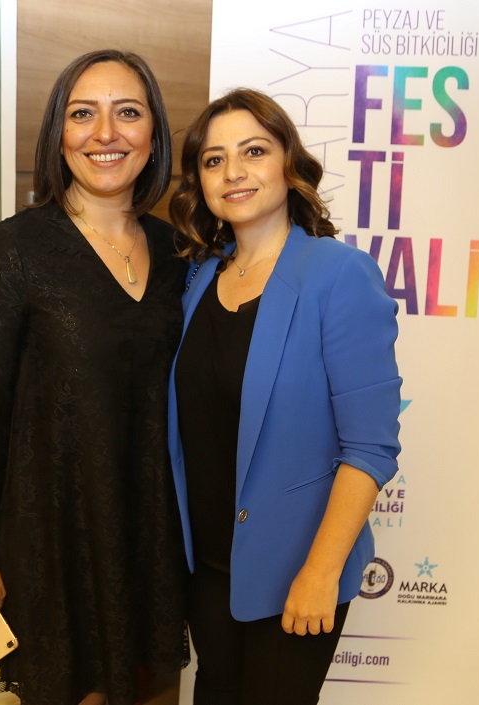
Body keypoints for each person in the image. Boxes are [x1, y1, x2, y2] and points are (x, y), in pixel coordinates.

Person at [0, 49, 189, 705]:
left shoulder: (179, 254)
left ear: (154, 135)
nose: (105, 133)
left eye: (127, 113)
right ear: (58, 134)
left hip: (151, 536)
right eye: (83, 114)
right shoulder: (14, 248)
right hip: (54, 540)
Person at [167, 88, 402, 704]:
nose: (233, 172)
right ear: (199, 182)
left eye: (254, 151)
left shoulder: (338, 274)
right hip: (207, 568)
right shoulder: (198, 277)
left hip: (297, 568)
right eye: (214, 160)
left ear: (288, 165)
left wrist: (321, 573)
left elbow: (370, 449)